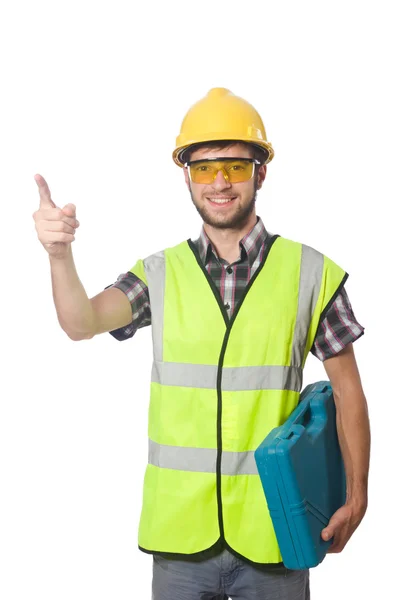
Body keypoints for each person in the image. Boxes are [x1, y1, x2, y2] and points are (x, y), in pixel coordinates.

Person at [33, 87, 370, 600]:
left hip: (274, 530)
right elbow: (81, 322)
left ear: (260, 172)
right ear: (185, 175)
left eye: (235, 167)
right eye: (203, 167)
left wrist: (358, 495)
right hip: (180, 538)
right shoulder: (159, 274)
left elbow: (348, 393)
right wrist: (59, 255)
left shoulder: (311, 273)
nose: (218, 182)